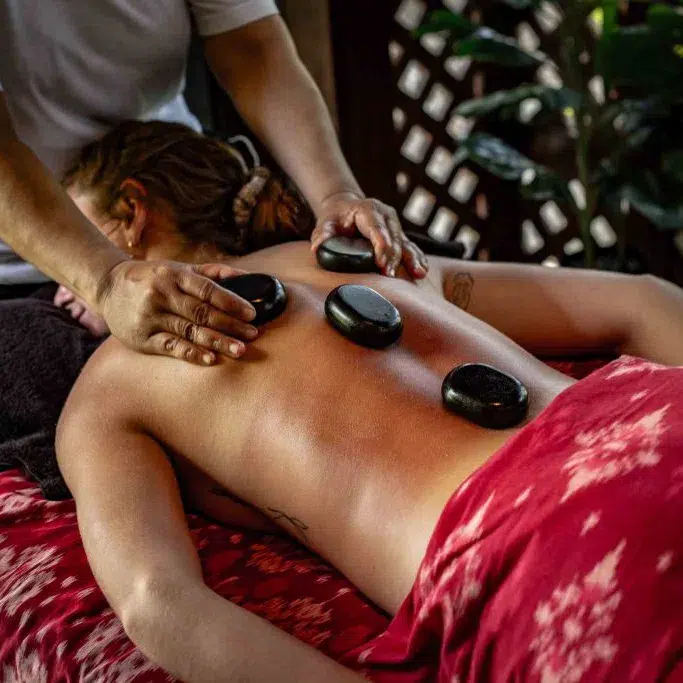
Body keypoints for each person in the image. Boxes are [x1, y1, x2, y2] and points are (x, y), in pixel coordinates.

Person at [56, 122, 683, 682]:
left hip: (540, 542)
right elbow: (645, 300)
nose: (60, 295)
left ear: (133, 214)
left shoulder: (111, 384)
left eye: (64, 258)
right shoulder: (372, 257)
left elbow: (158, 603)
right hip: (650, 418)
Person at [0, 0, 426, 365]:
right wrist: (105, 281)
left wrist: (336, 194)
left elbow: (252, 48)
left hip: (170, 197)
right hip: (25, 256)